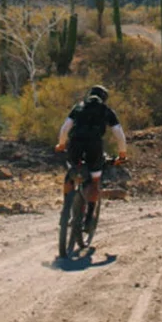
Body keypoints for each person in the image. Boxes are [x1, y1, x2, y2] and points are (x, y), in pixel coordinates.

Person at [55, 85, 127, 227]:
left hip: (75, 145)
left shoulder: (78, 107)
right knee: (95, 179)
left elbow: (65, 128)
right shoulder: (106, 111)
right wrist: (122, 153)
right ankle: (89, 217)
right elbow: (118, 133)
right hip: (94, 146)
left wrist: (61, 144)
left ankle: (66, 210)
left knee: (71, 175)